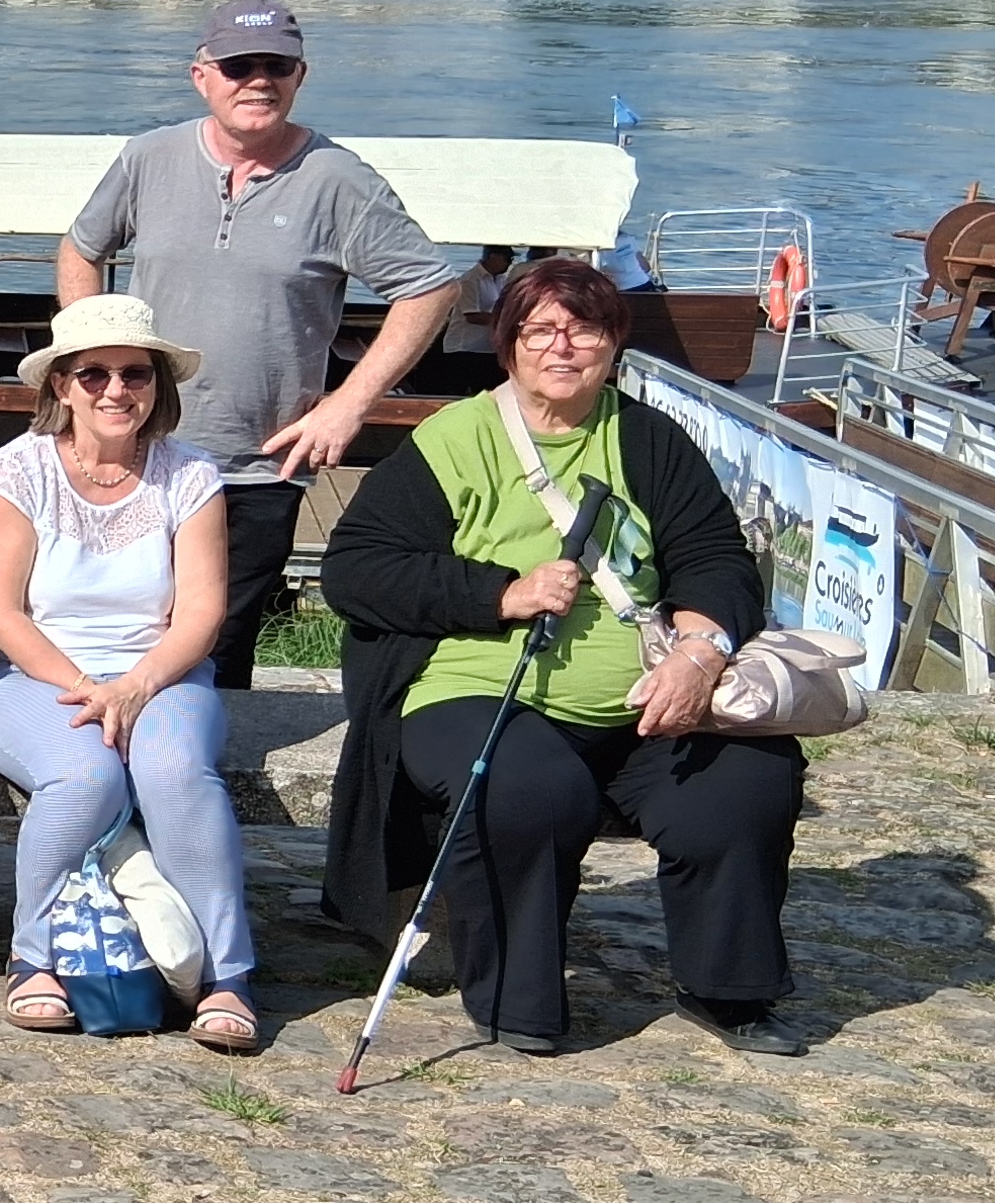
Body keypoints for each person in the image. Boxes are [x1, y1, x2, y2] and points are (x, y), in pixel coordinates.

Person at [320, 258, 807, 1058]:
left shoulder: (648, 438)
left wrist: (698, 654)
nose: (562, 346)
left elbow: (715, 560)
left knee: (747, 778)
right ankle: (519, 999)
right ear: (509, 345)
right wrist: (501, 593)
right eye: (540, 330)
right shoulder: (455, 439)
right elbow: (356, 570)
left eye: (584, 330)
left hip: (645, 697)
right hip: (474, 689)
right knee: (529, 787)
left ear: (613, 344)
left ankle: (729, 990)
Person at [59, 0, 457, 686]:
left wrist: (349, 403)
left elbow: (428, 287)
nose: (258, 82)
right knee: (117, 631)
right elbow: (80, 248)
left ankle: (208, 751)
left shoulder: (339, 180)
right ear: (201, 76)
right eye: (239, 66)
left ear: (301, 75)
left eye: (276, 66)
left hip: (257, 469)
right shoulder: (148, 157)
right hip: (137, 452)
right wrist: (91, 362)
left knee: (217, 654)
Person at [0, 297, 259, 1050]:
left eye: (135, 373)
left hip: (161, 673)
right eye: (93, 374)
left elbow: (201, 613)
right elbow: (1, 615)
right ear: (61, 385)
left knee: (174, 771)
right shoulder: (18, 469)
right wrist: (90, 691)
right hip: (31, 674)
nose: (116, 390)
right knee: (85, 775)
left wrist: (134, 686)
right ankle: (33, 957)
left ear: (158, 384)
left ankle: (226, 973)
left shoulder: (190, 474)